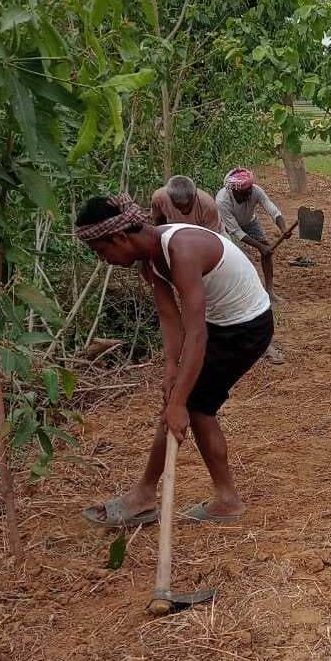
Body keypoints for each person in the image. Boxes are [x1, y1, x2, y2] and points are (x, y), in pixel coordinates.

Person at [75, 193, 274, 528]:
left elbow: (197, 333)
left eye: (102, 250)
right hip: (219, 323)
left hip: (245, 327)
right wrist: (171, 369)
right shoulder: (150, 260)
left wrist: (180, 400)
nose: (103, 260)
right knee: (183, 401)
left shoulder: (181, 250)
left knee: (195, 406)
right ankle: (152, 494)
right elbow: (170, 317)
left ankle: (194, 498)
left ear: (121, 237)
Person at [215, 168, 286, 303]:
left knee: (266, 252)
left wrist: (283, 228)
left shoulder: (255, 190)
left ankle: (269, 291)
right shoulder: (222, 200)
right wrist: (260, 246)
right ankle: (240, 293)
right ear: (233, 191)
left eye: (250, 192)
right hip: (228, 228)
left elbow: (272, 209)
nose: (248, 196)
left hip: (250, 222)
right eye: (244, 193)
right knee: (236, 257)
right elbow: (236, 231)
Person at [150, 174, 222, 232]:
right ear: (170, 198)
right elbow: (159, 224)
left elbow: (211, 236)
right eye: (179, 207)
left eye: (188, 205)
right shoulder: (159, 198)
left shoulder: (208, 205)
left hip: (209, 232)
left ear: (194, 195)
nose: (185, 210)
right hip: (175, 232)